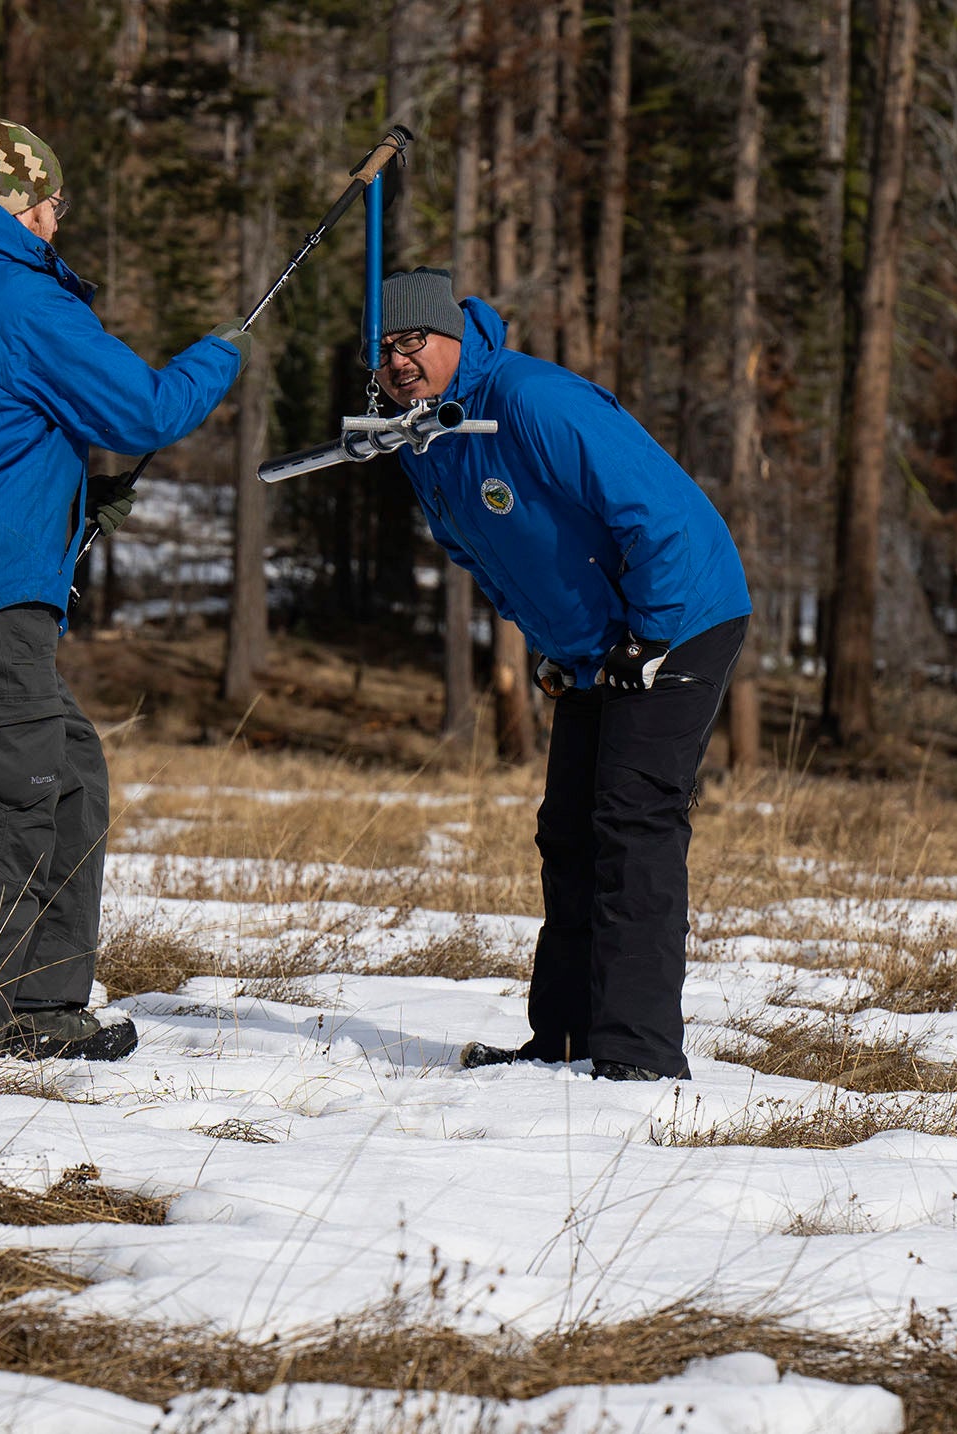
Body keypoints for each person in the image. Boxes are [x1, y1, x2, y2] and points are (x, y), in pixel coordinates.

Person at [0, 117, 246, 1063]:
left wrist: (76, 493)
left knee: (67, 774)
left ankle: (39, 1006)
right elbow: (147, 408)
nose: (54, 222)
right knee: (5, 796)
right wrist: (218, 356)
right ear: (21, 206)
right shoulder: (19, 300)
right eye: (50, 205)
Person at [376, 267, 749, 1082]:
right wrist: (557, 646)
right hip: (596, 642)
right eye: (384, 348)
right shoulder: (426, 441)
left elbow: (651, 512)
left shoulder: (531, 400)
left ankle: (639, 1056)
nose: (399, 361)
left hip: (680, 610)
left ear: (454, 337)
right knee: (568, 831)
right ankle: (566, 1043)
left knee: (632, 822)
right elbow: (486, 553)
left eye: (414, 342)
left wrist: (650, 635)